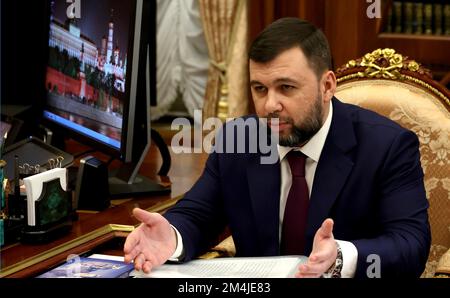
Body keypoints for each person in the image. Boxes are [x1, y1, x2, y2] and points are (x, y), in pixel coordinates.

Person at [124, 18, 430, 278]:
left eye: (286, 88)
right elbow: (198, 216)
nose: (270, 105)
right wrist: (172, 237)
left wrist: (340, 256)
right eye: (260, 89)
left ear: (327, 86)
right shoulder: (238, 140)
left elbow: (410, 245)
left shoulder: (386, 146)